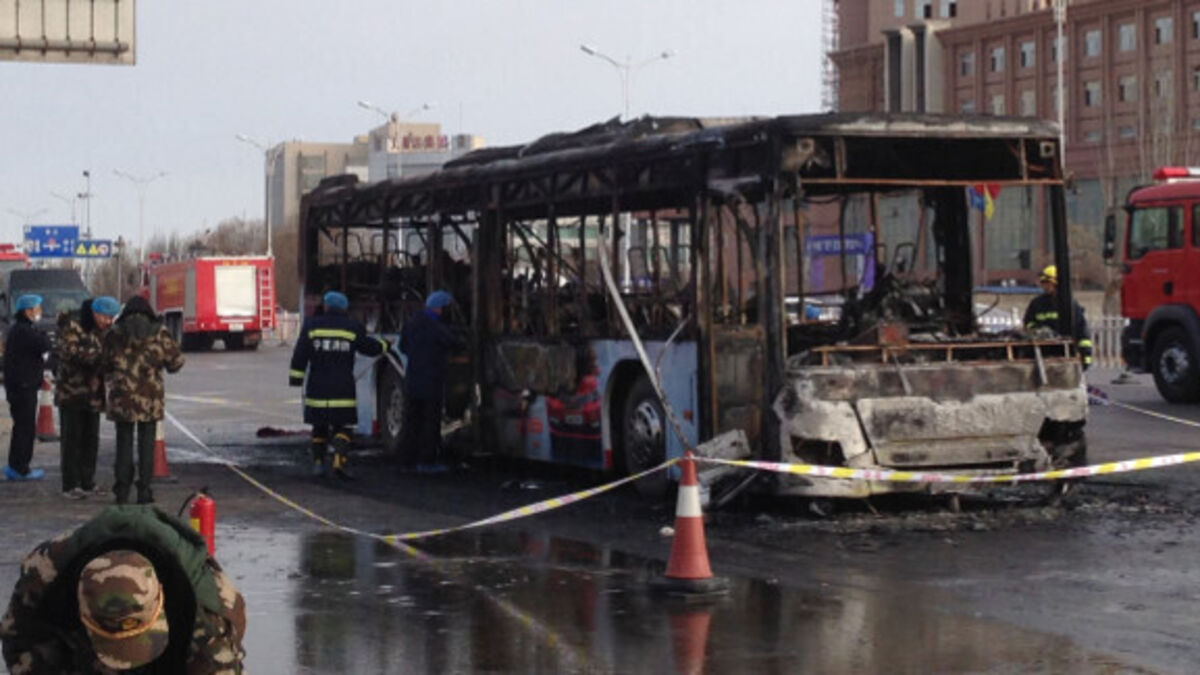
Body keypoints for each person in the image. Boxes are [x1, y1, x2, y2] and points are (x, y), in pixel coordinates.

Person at [0, 504, 247, 674]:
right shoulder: (44, 577)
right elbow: (20, 643)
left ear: (160, 600)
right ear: (81, 610)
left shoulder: (210, 613)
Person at [289, 290, 385, 479]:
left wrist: (296, 379)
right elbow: (369, 347)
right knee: (344, 427)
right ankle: (338, 461)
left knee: (319, 428)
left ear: (326, 306)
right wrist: (385, 345)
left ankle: (318, 464)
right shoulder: (352, 327)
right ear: (345, 308)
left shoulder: (311, 326)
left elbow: (300, 354)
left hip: (317, 389)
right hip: (342, 389)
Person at [101, 296, 185, 504]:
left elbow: (103, 364)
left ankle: (122, 490)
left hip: (122, 397)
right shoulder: (159, 332)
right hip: (150, 398)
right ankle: (144, 490)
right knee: (147, 444)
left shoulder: (114, 333)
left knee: (123, 443)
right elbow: (176, 363)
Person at [56, 296, 121, 499]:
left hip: (93, 395)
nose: (107, 322)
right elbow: (69, 352)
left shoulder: (105, 331)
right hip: (72, 393)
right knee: (72, 440)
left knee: (91, 440)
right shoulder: (73, 326)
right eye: (104, 317)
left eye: (111, 318)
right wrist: (98, 357)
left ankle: (87, 481)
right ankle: (70, 484)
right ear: (94, 313)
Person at [399, 290, 465, 474]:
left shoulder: (412, 322)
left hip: (412, 379)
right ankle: (426, 461)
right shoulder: (435, 327)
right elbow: (454, 342)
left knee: (411, 422)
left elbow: (402, 346)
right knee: (430, 423)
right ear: (441, 309)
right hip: (431, 381)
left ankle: (407, 461)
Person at [4, 294, 50, 481]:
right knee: (25, 428)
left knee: (22, 427)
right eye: (37, 308)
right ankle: (20, 467)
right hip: (23, 386)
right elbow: (44, 344)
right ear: (27, 311)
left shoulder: (20, 329)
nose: (39, 312)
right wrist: (44, 335)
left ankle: (17, 465)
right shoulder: (24, 331)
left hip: (21, 385)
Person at [1024, 265, 1094, 369]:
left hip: (1066, 354)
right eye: (1043, 282)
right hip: (1042, 354)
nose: (1044, 286)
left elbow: (1081, 331)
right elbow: (1028, 323)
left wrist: (1086, 356)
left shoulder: (1069, 305)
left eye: (1047, 282)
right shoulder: (1036, 304)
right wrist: (1039, 331)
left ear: (1056, 283)